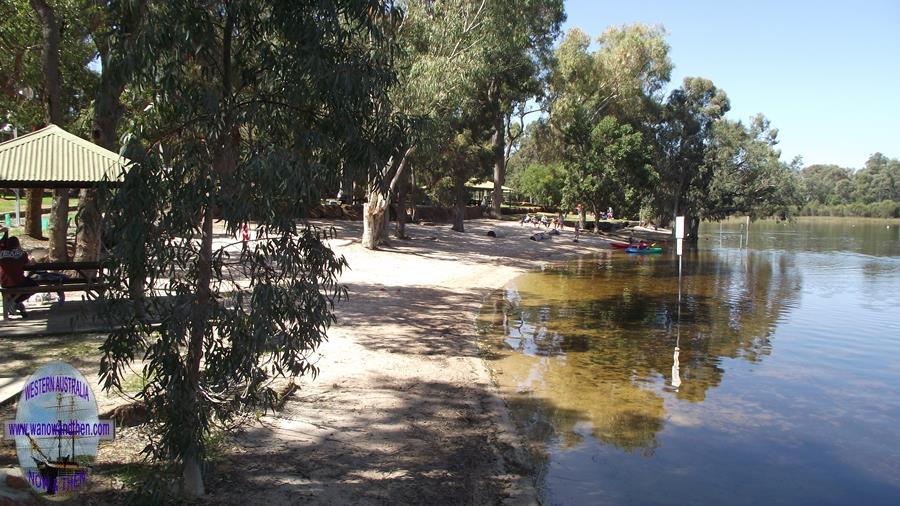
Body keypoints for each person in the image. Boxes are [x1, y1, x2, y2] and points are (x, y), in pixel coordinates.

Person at [0, 236, 37, 317]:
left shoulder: (1, 253)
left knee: (15, 290)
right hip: (18, 282)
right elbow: (28, 264)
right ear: (18, 244)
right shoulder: (22, 254)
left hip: (4, 283)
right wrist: (33, 261)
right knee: (35, 286)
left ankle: (15, 302)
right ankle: (15, 302)